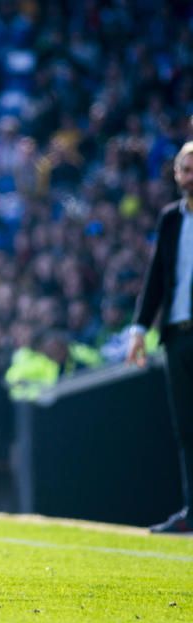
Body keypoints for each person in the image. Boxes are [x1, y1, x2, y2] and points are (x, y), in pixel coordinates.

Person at [127, 140, 193, 534]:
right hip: (177, 334)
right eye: (185, 168)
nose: (190, 175)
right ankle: (191, 510)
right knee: (186, 428)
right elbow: (155, 277)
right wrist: (139, 328)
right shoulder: (171, 218)